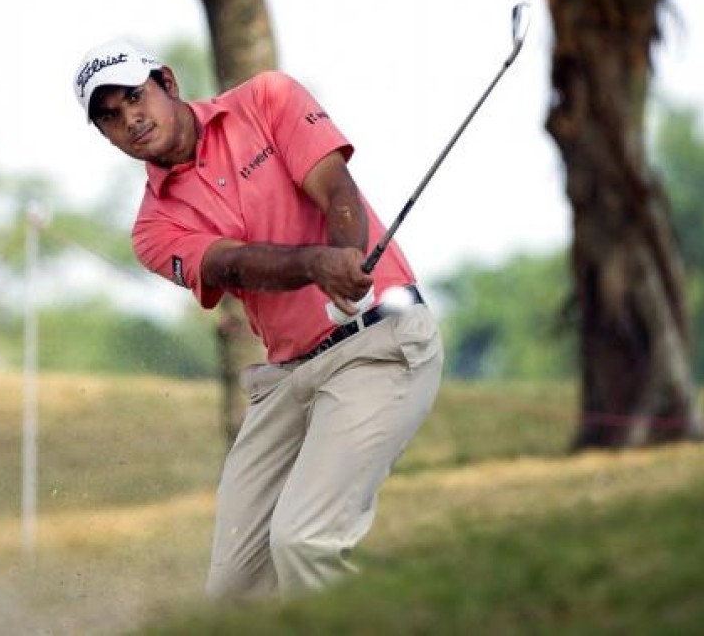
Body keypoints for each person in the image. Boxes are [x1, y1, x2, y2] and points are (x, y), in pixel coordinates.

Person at [72, 38, 444, 599]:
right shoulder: (153, 230)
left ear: (167, 83)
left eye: (135, 97)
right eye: (111, 117)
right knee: (233, 591)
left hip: (379, 345)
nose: (132, 120)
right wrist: (318, 266)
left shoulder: (266, 97)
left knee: (305, 542)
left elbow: (334, 186)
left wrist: (346, 256)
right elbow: (235, 264)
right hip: (287, 381)